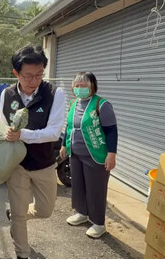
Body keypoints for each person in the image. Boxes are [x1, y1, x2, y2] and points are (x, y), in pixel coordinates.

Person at [0, 45, 66, 259]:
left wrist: (23, 135)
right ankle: (22, 252)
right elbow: (2, 128)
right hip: (17, 164)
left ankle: (17, 216)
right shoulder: (6, 94)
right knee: (19, 214)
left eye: (39, 75)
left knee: (45, 211)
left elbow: (54, 132)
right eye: (28, 76)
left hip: (44, 163)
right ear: (16, 73)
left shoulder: (55, 93)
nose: (34, 81)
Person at [59, 71, 117, 239]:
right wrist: (64, 145)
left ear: (92, 86)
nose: (79, 88)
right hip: (75, 153)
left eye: (83, 85)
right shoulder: (73, 103)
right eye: (77, 86)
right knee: (78, 185)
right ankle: (82, 213)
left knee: (95, 189)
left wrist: (111, 154)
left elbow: (111, 130)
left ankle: (99, 223)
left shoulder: (102, 105)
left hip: (96, 155)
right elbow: (69, 127)